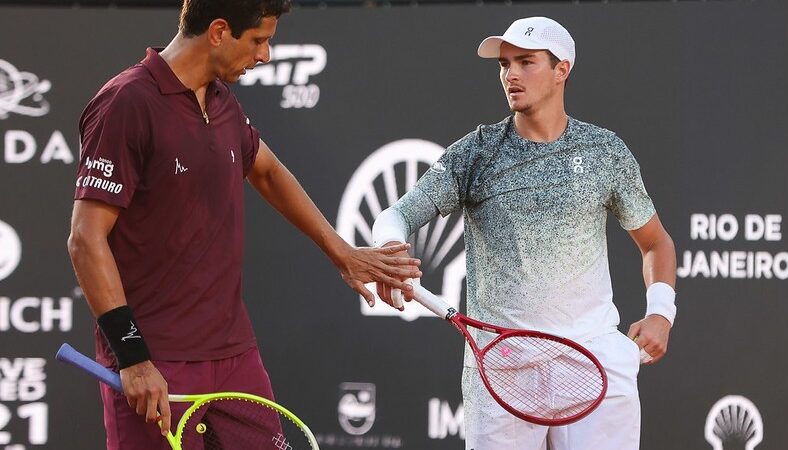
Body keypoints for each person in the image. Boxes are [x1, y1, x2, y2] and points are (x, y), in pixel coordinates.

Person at [67, 1, 422, 448]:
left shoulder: (221, 101)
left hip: (234, 355)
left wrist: (343, 252)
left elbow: (268, 171)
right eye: (258, 40)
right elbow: (85, 239)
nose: (265, 55)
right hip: (156, 364)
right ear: (218, 32)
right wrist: (133, 357)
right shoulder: (126, 102)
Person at [371, 16, 676, 450]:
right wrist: (389, 251)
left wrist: (662, 312)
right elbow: (396, 216)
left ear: (561, 70)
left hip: (593, 361)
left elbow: (655, 242)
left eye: (526, 62)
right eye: (504, 64)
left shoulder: (605, 151)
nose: (510, 74)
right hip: (502, 367)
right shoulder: (474, 153)